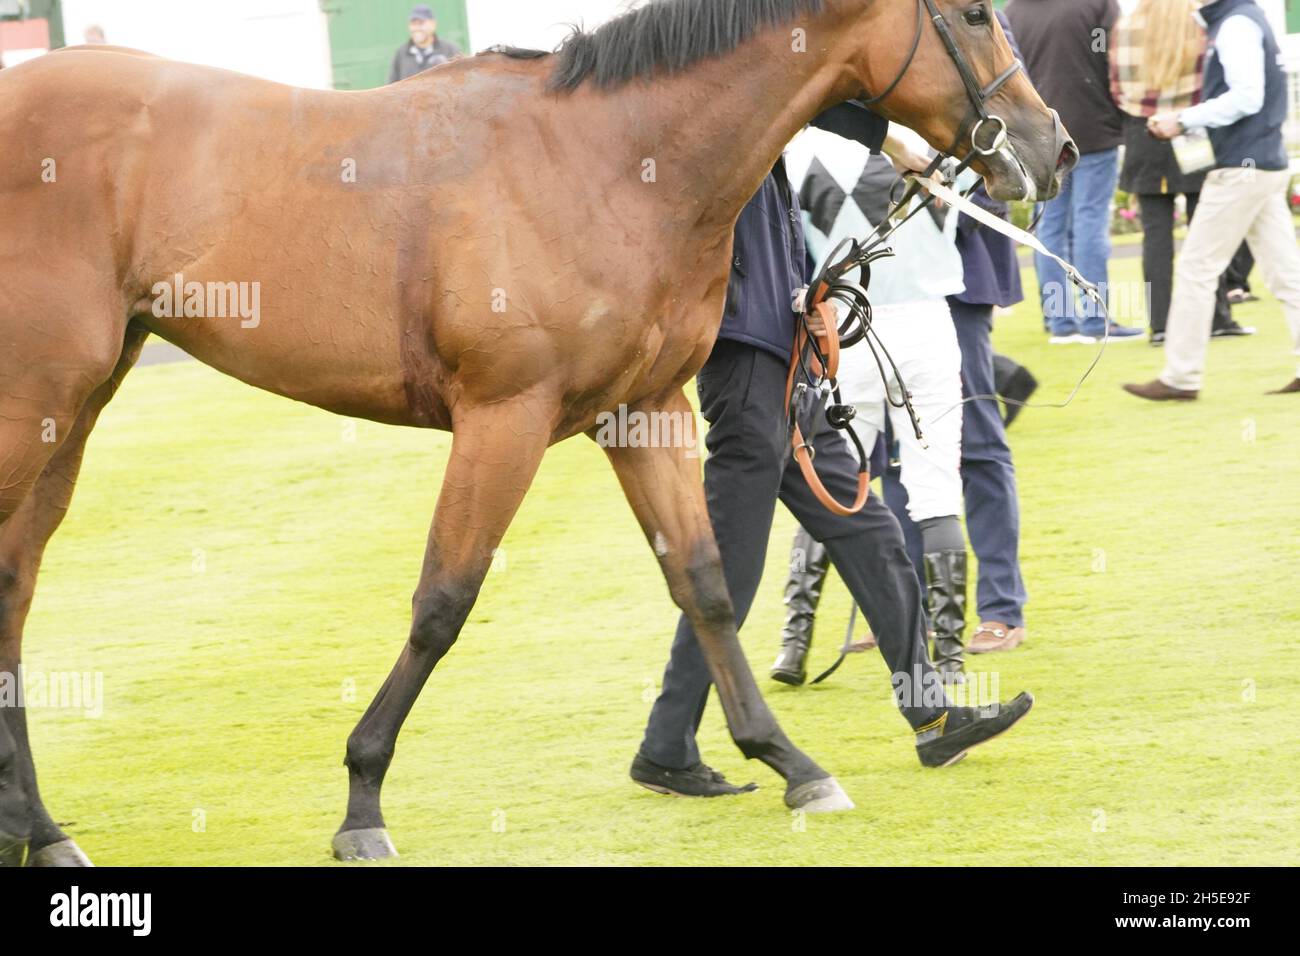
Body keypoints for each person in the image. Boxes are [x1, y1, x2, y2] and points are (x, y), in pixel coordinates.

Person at [630, 104, 1034, 798]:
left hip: (784, 358)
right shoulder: (726, 105)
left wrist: (803, 294)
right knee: (732, 568)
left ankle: (933, 716)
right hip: (743, 363)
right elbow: (813, 88)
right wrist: (890, 137)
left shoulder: (751, 105)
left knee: (871, 533)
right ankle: (667, 744)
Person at [774, 128, 972, 684]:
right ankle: (950, 660)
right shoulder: (933, 141)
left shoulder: (797, 151)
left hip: (846, 330)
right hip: (927, 328)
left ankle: (794, 643)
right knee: (937, 489)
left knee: (829, 487)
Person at [1125, 0, 1300, 400]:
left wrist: (1183, 119)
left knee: (1196, 268)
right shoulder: (1245, 18)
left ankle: (1181, 377)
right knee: (1286, 274)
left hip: (1241, 168)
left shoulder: (1235, 24)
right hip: (1263, 164)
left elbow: (1246, 98)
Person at [1109, 0, 1253, 344]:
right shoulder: (1200, 27)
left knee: (1155, 237)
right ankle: (1217, 317)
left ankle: (1160, 325)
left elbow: (1115, 89)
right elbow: (1214, 83)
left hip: (1143, 132)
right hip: (1191, 131)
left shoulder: (1124, 27)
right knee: (1206, 232)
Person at [1007, 0, 1143, 344]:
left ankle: (1061, 322)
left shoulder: (1013, 11)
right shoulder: (1097, 4)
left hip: (1041, 136)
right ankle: (1095, 322)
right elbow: (1120, 60)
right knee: (1090, 224)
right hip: (1093, 127)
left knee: (1050, 228)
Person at [388, 4, 461, 85]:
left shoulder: (450, 50)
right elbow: (391, 87)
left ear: (433, 24)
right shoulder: (401, 54)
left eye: (421, 23)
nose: (416, 28)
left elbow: (459, 82)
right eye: (413, 24)